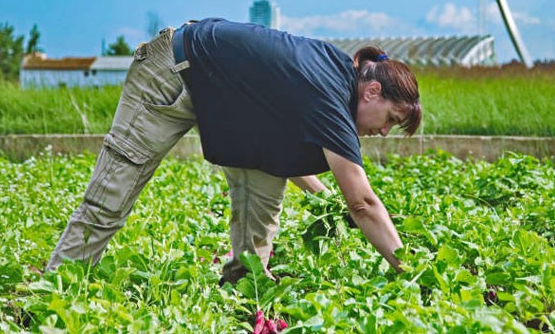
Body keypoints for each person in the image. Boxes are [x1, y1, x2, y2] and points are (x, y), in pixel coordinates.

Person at [47, 18, 422, 284]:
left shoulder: (335, 83)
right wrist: (412, 270)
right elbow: (363, 204)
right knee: (113, 195)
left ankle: (242, 296)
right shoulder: (330, 92)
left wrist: (325, 201)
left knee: (263, 204)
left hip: (234, 109)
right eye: (390, 118)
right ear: (373, 92)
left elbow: (291, 162)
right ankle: (52, 293)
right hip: (174, 70)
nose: (385, 132)